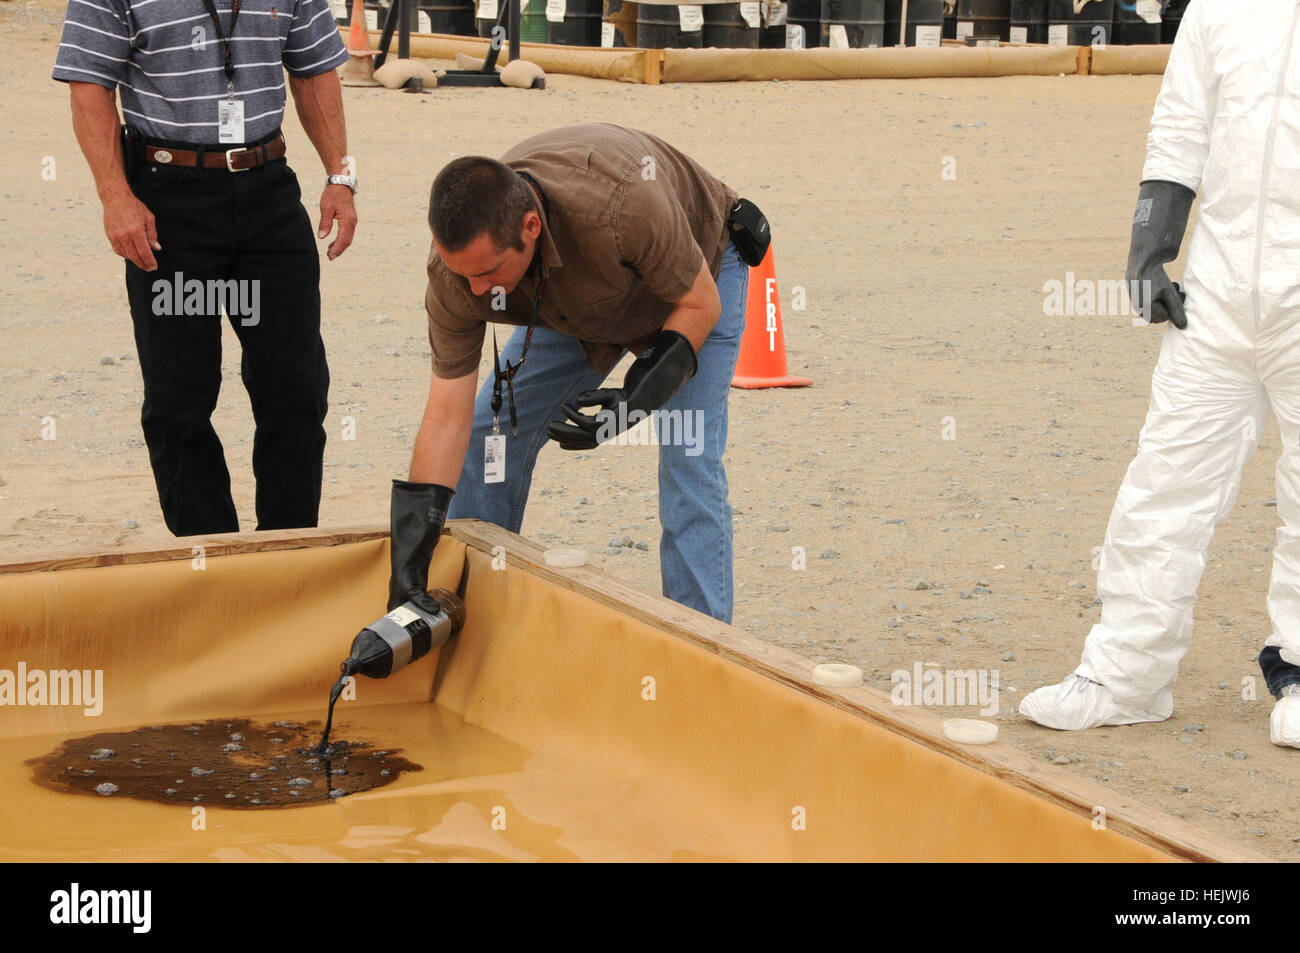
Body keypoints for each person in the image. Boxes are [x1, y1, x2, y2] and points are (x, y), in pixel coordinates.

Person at [1020, 0, 1300, 748]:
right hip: (1217, 297)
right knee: (1164, 483)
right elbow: (1183, 125)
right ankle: (1126, 675)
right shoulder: (1220, 8)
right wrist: (1149, 250)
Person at [384, 123, 760, 627]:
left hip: (694, 284)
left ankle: (703, 639)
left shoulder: (625, 206)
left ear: (530, 228)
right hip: (578, 297)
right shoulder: (457, 275)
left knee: (687, 455)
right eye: (464, 273)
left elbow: (699, 303)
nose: (476, 290)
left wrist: (636, 398)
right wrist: (410, 564)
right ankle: (468, 606)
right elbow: (445, 420)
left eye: (488, 272)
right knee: (489, 432)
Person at [53, 0, 357, 536]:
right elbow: (90, 86)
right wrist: (115, 196)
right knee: (179, 400)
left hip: (268, 193)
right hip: (170, 204)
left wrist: (340, 176)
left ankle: (287, 552)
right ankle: (209, 558)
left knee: (296, 386)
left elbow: (313, 69)